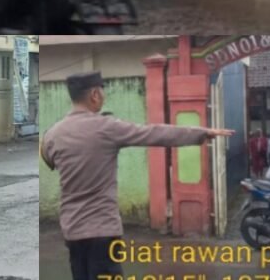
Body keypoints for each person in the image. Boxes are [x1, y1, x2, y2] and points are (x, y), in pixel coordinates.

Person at [40, 71, 234, 280]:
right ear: (95, 94)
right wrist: (201, 132)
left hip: (72, 231)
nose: (103, 97)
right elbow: (154, 133)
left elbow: (48, 159)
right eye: (102, 93)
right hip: (102, 231)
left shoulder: (53, 134)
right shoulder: (106, 127)